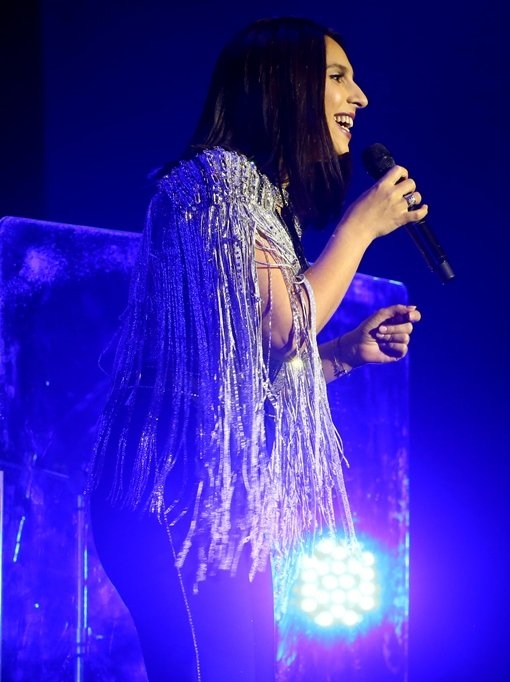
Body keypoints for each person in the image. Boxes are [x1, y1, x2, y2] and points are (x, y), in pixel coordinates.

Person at [87, 17, 425, 682]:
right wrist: (360, 229)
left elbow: (243, 376)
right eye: (337, 77)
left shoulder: (259, 200)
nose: (359, 97)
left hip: (220, 506)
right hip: (171, 496)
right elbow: (283, 328)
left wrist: (342, 354)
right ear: (281, 86)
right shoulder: (216, 184)